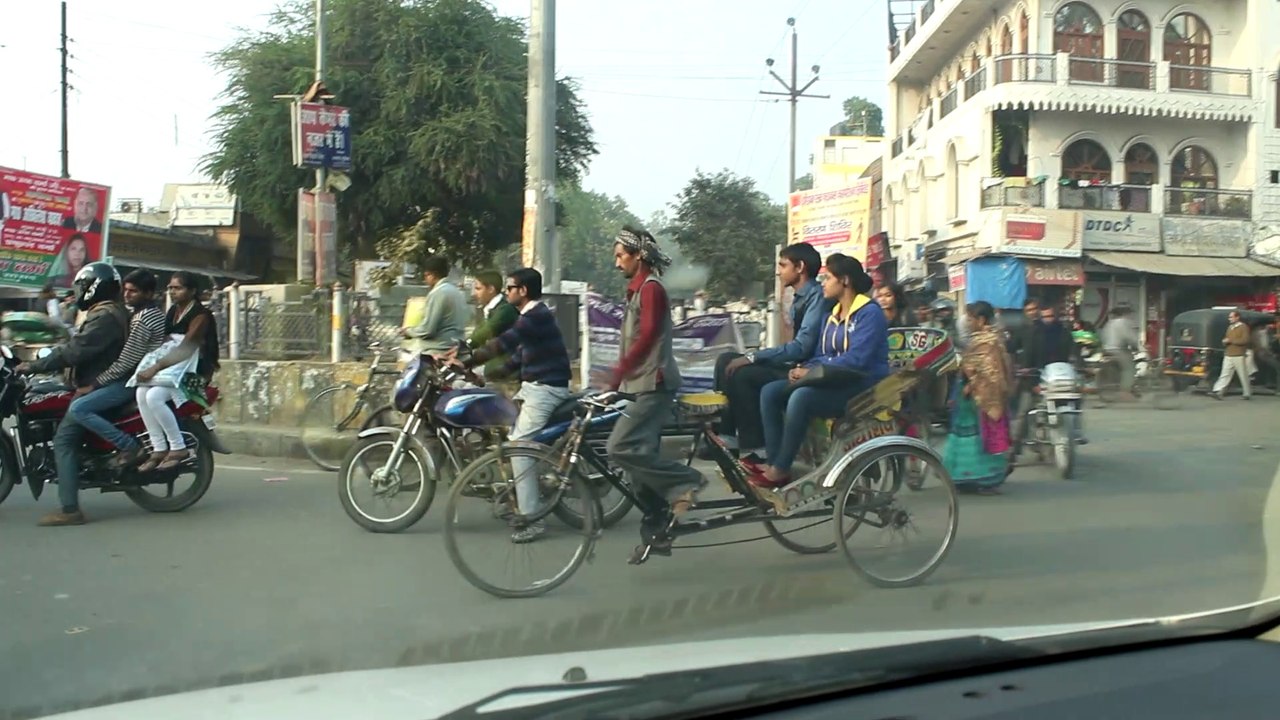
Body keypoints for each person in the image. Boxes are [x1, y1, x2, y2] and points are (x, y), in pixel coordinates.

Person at [450, 268, 571, 544]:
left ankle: (532, 519)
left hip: (546, 389)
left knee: (520, 446)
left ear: (523, 291)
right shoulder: (530, 318)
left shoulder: (534, 316)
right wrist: (482, 376)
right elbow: (516, 358)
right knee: (502, 435)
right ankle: (515, 495)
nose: (506, 293)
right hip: (533, 387)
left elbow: (503, 343)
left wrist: (466, 361)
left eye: (510, 288)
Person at [604, 226, 704, 559]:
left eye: (621, 256)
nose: (617, 263)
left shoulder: (651, 289)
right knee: (637, 469)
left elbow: (646, 338)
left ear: (638, 256)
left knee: (618, 447)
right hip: (638, 385)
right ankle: (658, 531)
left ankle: (687, 479)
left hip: (655, 385)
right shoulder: (635, 290)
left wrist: (617, 372)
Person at [754, 254, 890, 488]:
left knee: (801, 397)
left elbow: (857, 359)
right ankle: (774, 460)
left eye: (828, 278)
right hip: (832, 380)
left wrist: (811, 374)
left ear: (844, 280)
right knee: (770, 392)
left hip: (862, 385)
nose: (823, 283)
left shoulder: (870, 313)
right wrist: (802, 369)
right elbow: (821, 354)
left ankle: (781, 468)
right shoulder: (831, 316)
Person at [15, 263, 130, 526]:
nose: (78, 292)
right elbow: (76, 346)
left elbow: (77, 351)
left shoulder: (105, 317)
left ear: (93, 288)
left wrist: (34, 365)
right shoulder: (108, 312)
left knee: (64, 439)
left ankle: (70, 509)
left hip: (106, 384)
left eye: (81, 287)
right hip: (100, 381)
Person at [712, 243, 829, 461]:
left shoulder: (816, 298)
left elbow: (801, 347)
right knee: (725, 360)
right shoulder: (798, 298)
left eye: (783, 265)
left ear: (800, 267)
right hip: (794, 364)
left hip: (808, 370)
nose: (779, 271)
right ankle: (728, 436)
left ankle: (756, 447)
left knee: (744, 374)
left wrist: (753, 357)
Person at [70, 270, 167, 470]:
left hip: (135, 380)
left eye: (134, 291)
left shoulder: (143, 319)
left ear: (149, 294)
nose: (127, 295)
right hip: (139, 377)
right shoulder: (147, 313)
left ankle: (128, 446)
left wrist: (94, 384)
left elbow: (126, 362)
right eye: (126, 290)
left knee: (79, 408)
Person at [130, 271, 221, 472]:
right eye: (170, 287)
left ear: (192, 291)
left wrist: (155, 367)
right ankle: (159, 447)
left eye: (177, 288)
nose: (172, 291)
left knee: (154, 396)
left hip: (194, 373)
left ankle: (178, 446)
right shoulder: (173, 312)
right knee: (140, 392)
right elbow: (166, 343)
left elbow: (186, 347)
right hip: (174, 369)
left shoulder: (200, 315)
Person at [944, 302, 1014, 495]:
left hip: (978, 396)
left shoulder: (988, 341)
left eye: (970, 318)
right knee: (968, 435)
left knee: (978, 437)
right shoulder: (984, 339)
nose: (967, 322)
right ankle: (965, 479)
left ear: (981, 320)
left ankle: (982, 478)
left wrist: (972, 383)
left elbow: (991, 372)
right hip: (969, 394)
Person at [402, 255, 470, 356]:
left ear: (432, 275)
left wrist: (408, 331)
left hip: (439, 350)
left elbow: (427, 330)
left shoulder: (438, 293)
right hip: (457, 347)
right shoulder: (457, 292)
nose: (425, 280)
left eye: (426, 276)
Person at [467, 269, 519, 381]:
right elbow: (477, 333)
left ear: (491, 289)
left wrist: (465, 347)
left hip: (505, 372)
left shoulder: (505, 310)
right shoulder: (490, 309)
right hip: (492, 365)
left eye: (478, 288)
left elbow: (484, 332)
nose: (474, 293)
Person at [1210, 309, 1252, 401]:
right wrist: (1224, 341)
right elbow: (1227, 338)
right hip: (1228, 354)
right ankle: (1218, 391)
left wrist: (1231, 341)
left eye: (1231, 317)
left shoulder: (1243, 327)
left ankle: (1247, 393)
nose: (1229, 319)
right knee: (1225, 374)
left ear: (1237, 317)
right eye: (1229, 317)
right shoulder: (1230, 328)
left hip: (1238, 355)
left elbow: (1245, 340)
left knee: (1243, 375)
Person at [1101, 305, 1141, 398]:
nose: (1131, 316)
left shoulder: (1110, 323)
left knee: (1121, 367)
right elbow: (1129, 336)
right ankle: (1125, 390)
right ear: (1125, 314)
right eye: (1130, 314)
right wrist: (1136, 346)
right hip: (1118, 349)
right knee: (1130, 368)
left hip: (1107, 349)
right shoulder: (1124, 322)